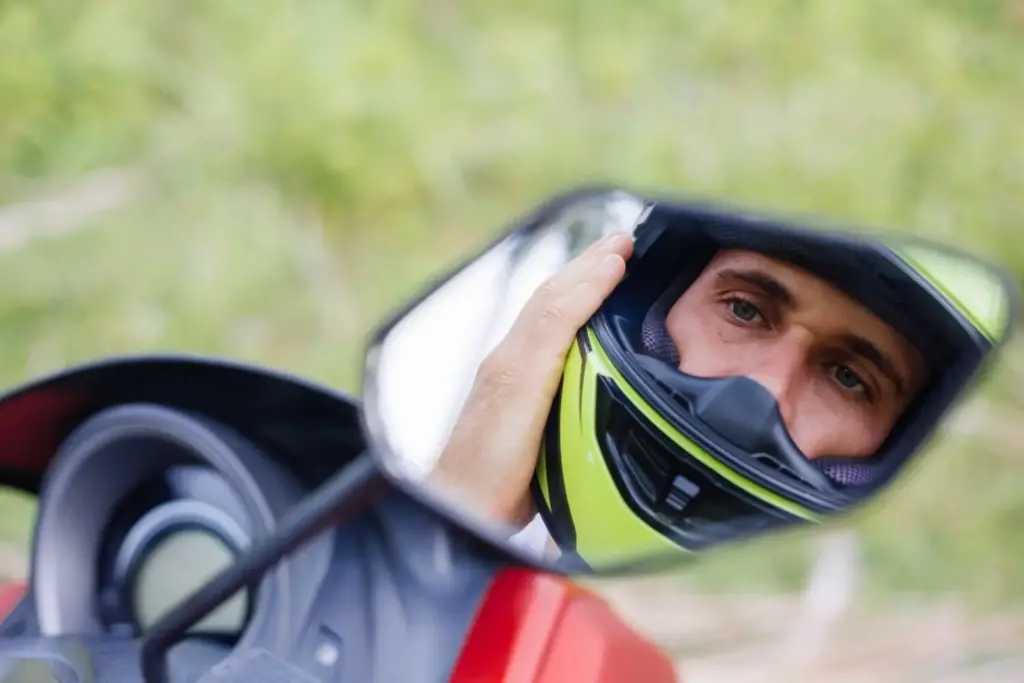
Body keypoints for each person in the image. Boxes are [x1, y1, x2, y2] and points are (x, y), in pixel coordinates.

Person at [424, 204, 1003, 566]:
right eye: (745, 311)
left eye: (848, 377)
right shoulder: (480, 554)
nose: (760, 394)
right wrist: (449, 521)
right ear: (633, 300)